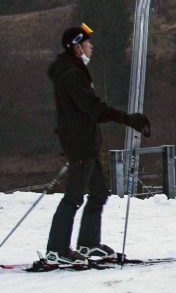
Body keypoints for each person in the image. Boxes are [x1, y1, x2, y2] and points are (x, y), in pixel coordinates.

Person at [42, 23, 151, 266]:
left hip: (86, 143)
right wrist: (127, 119)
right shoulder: (71, 74)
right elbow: (92, 108)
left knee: (99, 193)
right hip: (79, 144)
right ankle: (56, 249)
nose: (92, 46)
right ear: (77, 47)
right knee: (73, 197)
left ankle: (88, 244)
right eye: (88, 42)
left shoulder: (74, 70)